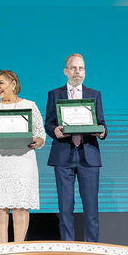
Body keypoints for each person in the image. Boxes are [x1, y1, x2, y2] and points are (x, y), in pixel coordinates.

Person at [0, 70, 46, 243]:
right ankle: (3, 250)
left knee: (20, 206)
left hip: (23, 162)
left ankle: (18, 249)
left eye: (1, 82)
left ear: (13, 84)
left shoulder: (30, 105)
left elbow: (41, 135)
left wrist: (37, 141)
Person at [45, 54, 107, 242]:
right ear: (65, 71)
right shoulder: (54, 94)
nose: (77, 72)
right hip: (64, 155)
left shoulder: (94, 94)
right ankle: (68, 248)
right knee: (65, 206)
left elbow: (102, 124)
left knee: (91, 206)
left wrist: (101, 132)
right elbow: (49, 123)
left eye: (81, 68)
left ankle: (93, 248)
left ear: (84, 72)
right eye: (73, 68)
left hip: (88, 154)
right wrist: (54, 130)